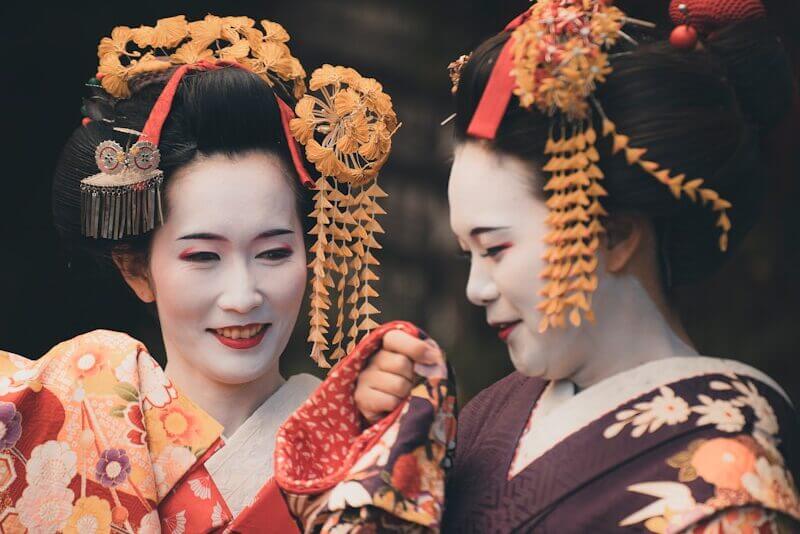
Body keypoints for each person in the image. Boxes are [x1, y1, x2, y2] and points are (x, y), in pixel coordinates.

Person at [0, 15, 452, 533]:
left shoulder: (367, 447)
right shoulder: (70, 415)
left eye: (274, 253)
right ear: (136, 271)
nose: (243, 296)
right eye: (202, 257)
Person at [364, 0, 800, 531]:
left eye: (496, 248)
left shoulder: (731, 489)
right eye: (468, 254)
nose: (476, 288)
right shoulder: (491, 416)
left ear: (614, 235)